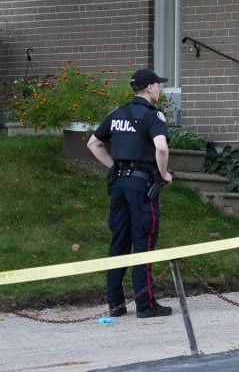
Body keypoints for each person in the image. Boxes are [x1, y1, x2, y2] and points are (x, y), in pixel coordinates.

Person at [86, 68, 174, 318]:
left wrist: (114, 166)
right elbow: (161, 148)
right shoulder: (153, 115)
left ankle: (115, 304)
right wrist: (164, 174)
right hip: (141, 187)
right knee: (143, 242)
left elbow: (93, 143)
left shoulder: (117, 113)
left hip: (119, 186)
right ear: (149, 88)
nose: (160, 89)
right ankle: (145, 305)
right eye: (158, 85)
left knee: (119, 244)